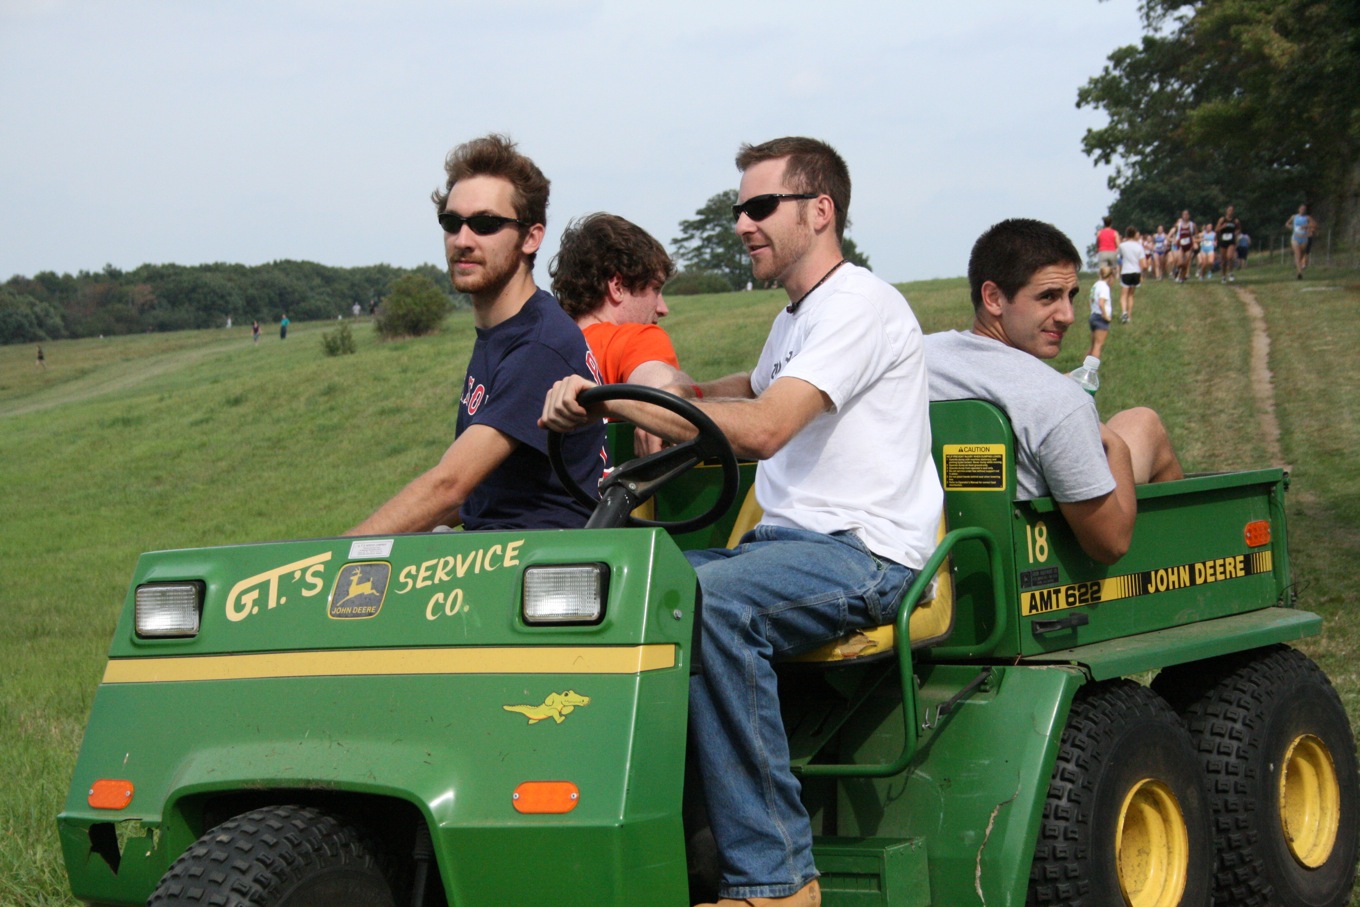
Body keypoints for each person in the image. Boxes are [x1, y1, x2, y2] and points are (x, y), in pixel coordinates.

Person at [541, 136, 941, 907]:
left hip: (867, 556)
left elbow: (761, 427)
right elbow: (736, 389)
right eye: (739, 209)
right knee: (631, 590)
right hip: (790, 549)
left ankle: (778, 880)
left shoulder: (859, 305)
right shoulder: (801, 315)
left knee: (713, 604)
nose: (742, 224)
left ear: (820, 211)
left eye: (761, 207)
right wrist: (650, 385)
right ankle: (658, 853)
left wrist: (611, 401)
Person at [348, 134, 607, 536]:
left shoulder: (539, 345)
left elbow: (449, 486)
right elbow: (475, 494)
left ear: (531, 237)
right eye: (452, 223)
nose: (463, 241)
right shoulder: (503, 331)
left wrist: (322, 561)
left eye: (486, 225)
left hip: (534, 570)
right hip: (488, 551)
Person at [924, 218, 1183, 565]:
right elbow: (1111, 543)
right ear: (993, 297)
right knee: (1146, 423)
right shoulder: (1057, 401)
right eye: (1048, 297)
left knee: (1136, 418)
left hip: (941, 555)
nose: (1068, 315)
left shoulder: (915, 358)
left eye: (1071, 296)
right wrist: (1112, 444)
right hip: (1029, 576)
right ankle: (1175, 565)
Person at [549, 212, 693, 389]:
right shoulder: (636, 341)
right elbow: (671, 402)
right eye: (655, 289)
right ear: (617, 287)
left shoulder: (538, 353)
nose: (663, 309)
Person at [1117, 227, 1144, 323]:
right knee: (1131, 295)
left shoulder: (1122, 246)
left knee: (1124, 295)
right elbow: (1143, 263)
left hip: (1126, 271)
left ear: (1127, 234)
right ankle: (1129, 316)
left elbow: (1119, 258)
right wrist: (1141, 274)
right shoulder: (1139, 246)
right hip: (1136, 272)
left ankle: (1124, 312)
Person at [1088, 264, 1113, 359]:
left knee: (1093, 345)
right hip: (1101, 317)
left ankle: (1083, 368)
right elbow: (1101, 302)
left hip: (1093, 315)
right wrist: (1105, 315)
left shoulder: (1095, 285)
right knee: (1098, 346)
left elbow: (1090, 299)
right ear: (1110, 276)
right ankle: (1093, 370)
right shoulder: (1104, 287)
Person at [1287, 203, 1316, 279]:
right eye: (1301, 209)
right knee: (1297, 254)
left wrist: (1307, 226)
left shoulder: (1307, 218)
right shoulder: (1294, 217)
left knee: (1302, 255)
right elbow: (1287, 223)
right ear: (1298, 209)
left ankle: (1299, 267)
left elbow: (1315, 225)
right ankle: (1299, 273)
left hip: (1304, 238)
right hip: (1295, 238)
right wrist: (1290, 227)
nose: (1303, 210)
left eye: (1304, 209)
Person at [1215, 205, 1241, 283]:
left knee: (1230, 257)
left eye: (1232, 210)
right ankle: (1223, 276)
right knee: (1223, 260)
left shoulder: (1235, 221)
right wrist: (1222, 227)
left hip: (1231, 241)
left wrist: (1236, 233)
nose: (1230, 212)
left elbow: (1239, 229)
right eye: (1229, 210)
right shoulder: (1222, 219)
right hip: (1223, 241)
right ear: (1226, 211)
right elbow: (1216, 229)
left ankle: (1230, 273)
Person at [1171, 210, 1195, 282]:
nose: (1185, 216)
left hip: (1189, 246)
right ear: (1182, 216)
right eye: (1184, 214)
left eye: (1187, 214)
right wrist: (1175, 239)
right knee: (1181, 263)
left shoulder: (1192, 225)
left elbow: (1195, 234)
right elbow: (1174, 233)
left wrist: (1195, 242)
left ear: (1189, 216)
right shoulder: (1179, 225)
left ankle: (1182, 277)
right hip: (1181, 246)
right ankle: (1177, 269)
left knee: (1186, 263)